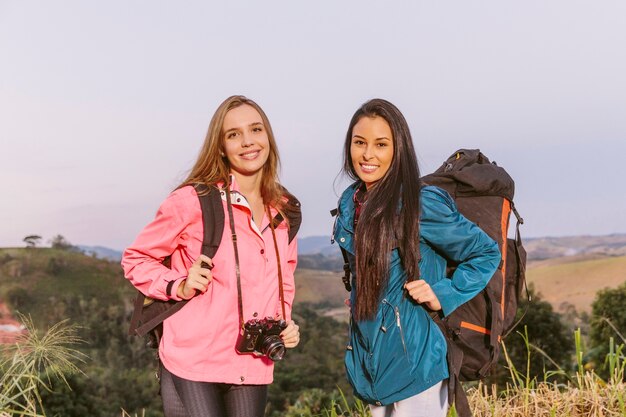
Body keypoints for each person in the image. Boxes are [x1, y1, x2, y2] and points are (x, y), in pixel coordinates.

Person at [122, 95, 301, 417]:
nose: (248, 142)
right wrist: (179, 285)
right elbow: (136, 258)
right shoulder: (192, 201)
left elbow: (284, 279)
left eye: (256, 130)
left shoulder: (284, 209)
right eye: (233, 134)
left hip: (252, 358)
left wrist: (284, 322)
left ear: (268, 137)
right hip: (194, 358)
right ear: (220, 147)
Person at [333, 99, 501, 417]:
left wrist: (443, 292)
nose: (368, 154)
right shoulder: (351, 203)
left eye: (381, 144)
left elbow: (486, 252)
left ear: (399, 150)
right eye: (359, 142)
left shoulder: (419, 203)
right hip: (374, 363)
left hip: (418, 362)